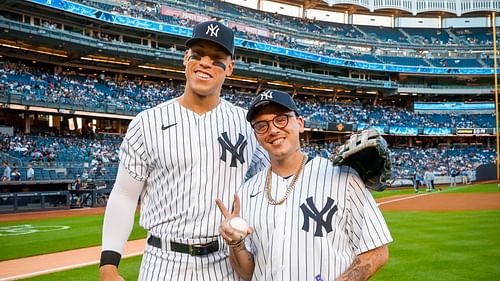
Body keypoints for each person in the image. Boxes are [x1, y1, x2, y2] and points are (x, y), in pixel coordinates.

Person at [99, 20, 269, 281]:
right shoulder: (147, 122)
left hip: (225, 262)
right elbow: (124, 195)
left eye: (217, 58)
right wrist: (109, 265)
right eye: (198, 55)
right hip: (163, 261)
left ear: (230, 67)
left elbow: (276, 177)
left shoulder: (247, 125)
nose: (205, 63)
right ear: (185, 58)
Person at [216, 90, 392, 281]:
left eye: (281, 119)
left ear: (300, 124)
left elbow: (377, 252)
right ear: (257, 135)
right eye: (261, 125)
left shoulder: (344, 177)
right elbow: (248, 273)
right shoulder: (246, 193)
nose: (273, 130)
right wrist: (236, 245)